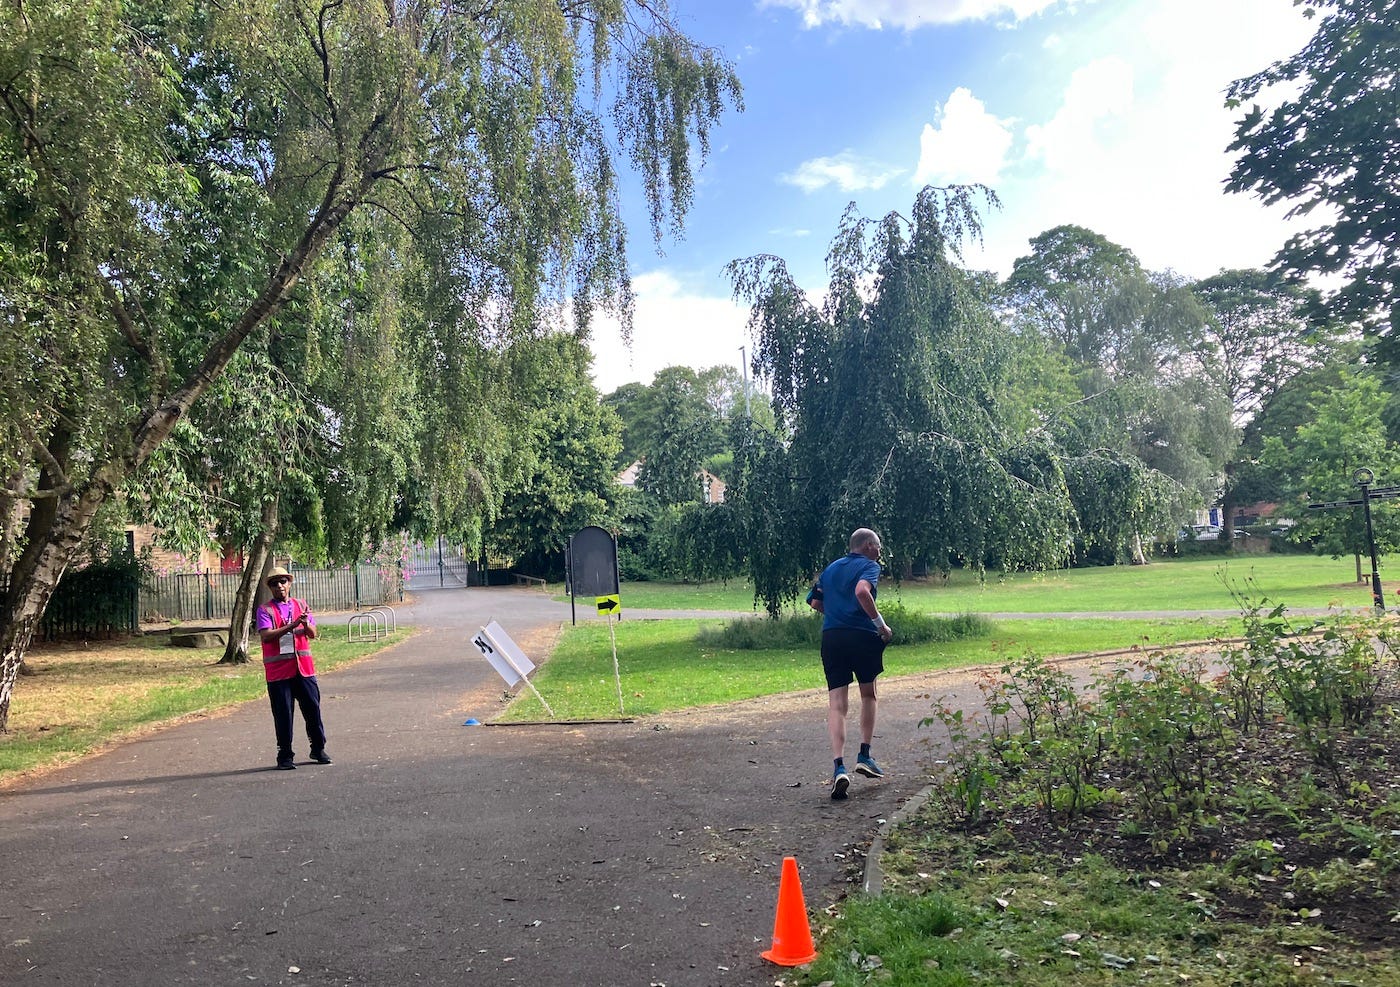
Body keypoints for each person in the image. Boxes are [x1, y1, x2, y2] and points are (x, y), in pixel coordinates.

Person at [806, 528, 893, 800]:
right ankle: (864, 756)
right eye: (878, 547)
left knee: (837, 704)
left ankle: (838, 767)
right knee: (869, 695)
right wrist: (881, 626)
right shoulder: (869, 566)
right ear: (868, 546)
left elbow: (814, 601)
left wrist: (836, 613)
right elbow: (861, 591)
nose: (879, 552)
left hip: (832, 638)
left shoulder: (831, 569)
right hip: (862, 636)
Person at [257, 566, 330, 770]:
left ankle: (318, 748)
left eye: (283, 581)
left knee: (313, 709)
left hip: (304, 669)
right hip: (279, 673)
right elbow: (266, 635)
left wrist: (305, 624)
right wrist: (292, 625)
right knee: (283, 714)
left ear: (289, 583)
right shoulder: (265, 610)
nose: (279, 586)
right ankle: (285, 755)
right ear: (270, 588)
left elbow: (313, 633)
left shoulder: (301, 604)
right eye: (274, 583)